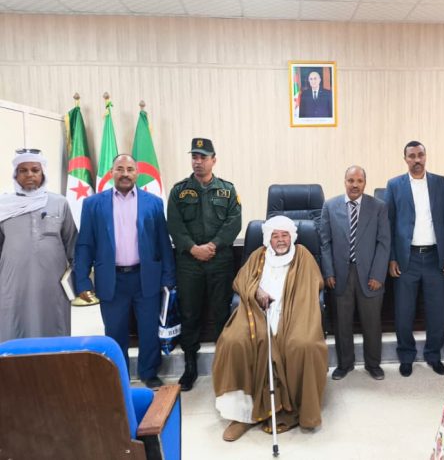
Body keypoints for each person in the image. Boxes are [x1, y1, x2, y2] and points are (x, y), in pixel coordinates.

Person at [213, 215, 327, 442]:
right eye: (275, 236)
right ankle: (242, 415)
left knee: (304, 344)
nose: (281, 240)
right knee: (234, 341)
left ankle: (298, 408)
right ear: (268, 239)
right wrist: (256, 292)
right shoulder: (258, 256)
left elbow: (314, 283)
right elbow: (240, 281)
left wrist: (288, 303)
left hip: (293, 311)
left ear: (292, 237)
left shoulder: (303, 255)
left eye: (285, 235)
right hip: (256, 311)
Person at [74, 154, 175, 388]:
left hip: (145, 277)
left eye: (130, 169)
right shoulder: (93, 204)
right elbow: (85, 244)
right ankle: (118, 376)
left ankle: (149, 372)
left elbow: (163, 242)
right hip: (112, 279)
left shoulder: (153, 203)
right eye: (120, 169)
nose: (125, 174)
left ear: (137, 173)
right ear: (112, 173)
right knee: (115, 331)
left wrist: (168, 277)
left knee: (148, 329)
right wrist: (82, 281)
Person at [167, 138, 242, 391]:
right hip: (189, 263)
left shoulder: (227, 190)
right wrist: (193, 249)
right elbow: (174, 225)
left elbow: (233, 223)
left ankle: (225, 364)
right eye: (194, 157)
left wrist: (213, 246)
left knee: (222, 313)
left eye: (203, 157)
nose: (198, 162)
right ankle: (190, 366)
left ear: (213, 160)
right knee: (189, 313)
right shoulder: (179, 191)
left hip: (219, 261)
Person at [385, 141, 444, 377]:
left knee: (437, 310)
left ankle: (433, 355)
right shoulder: (394, 185)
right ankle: (406, 356)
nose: (417, 160)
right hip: (407, 259)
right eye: (412, 156)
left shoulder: (441, 183)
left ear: (426, 156)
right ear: (405, 159)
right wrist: (392, 258)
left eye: (420, 155)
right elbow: (389, 224)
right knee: (404, 311)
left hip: (436, 257)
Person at [320, 165, 390, 381]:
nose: (355, 185)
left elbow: (384, 243)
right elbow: (325, 243)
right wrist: (328, 272)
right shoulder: (330, 206)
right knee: (342, 323)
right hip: (340, 274)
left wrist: (378, 275)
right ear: (345, 182)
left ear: (365, 183)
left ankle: (373, 364)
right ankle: (345, 364)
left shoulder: (378, 207)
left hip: (370, 274)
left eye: (359, 181)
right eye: (351, 180)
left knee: (372, 322)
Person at [0, 149, 77, 342]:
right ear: (15, 174)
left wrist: (78, 281)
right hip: (13, 284)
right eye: (23, 170)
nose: (29, 175)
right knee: (12, 329)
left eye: (35, 170)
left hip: (53, 284)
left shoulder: (59, 203)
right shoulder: (3, 205)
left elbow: (73, 245)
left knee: (54, 328)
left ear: (43, 174)